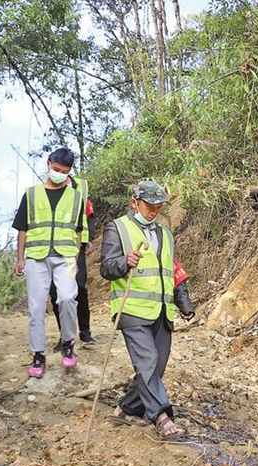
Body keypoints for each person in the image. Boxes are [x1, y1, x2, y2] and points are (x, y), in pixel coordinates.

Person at [99, 180, 195, 439]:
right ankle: (161, 417)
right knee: (148, 362)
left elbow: (172, 268)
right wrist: (123, 262)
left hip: (162, 310)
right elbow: (106, 267)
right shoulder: (117, 228)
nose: (153, 211)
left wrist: (183, 301)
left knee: (156, 367)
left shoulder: (165, 234)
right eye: (148, 205)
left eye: (158, 206)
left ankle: (125, 408)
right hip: (132, 309)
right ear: (134, 203)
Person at [13, 148, 84, 378]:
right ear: (48, 164)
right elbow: (22, 229)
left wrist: (76, 254)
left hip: (65, 256)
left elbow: (78, 230)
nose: (58, 174)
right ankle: (38, 354)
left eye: (63, 172)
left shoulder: (76, 197)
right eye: (55, 169)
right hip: (36, 256)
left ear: (70, 171)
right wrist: (20, 258)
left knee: (66, 298)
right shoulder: (31, 194)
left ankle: (68, 342)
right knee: (36, 307)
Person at [49, 174, 96, 349]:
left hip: (76, 244)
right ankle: (65, 336)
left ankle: (85, 332)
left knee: (79, 286)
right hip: (51, 246)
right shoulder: (45, 188)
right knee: (56, 292)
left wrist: (89, 237)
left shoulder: (81, 186)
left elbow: (89, 213)